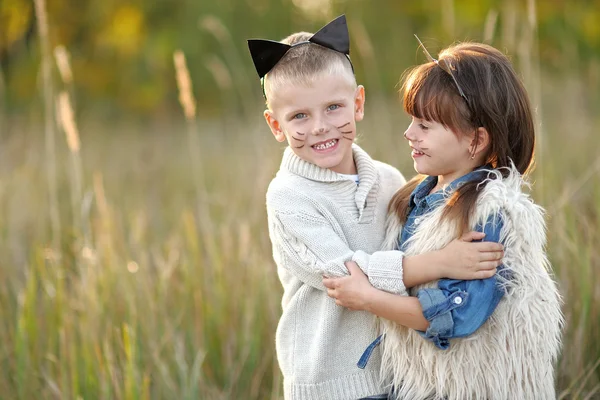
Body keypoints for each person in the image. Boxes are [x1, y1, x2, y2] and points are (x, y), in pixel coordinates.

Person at [248, 18, 504, 400]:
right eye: (299, 116)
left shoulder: (388, 180)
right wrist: (442, 262)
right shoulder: (289, 197)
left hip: (399, 374)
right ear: (275, 125)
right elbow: (347, 277)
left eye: (334, 108)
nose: (320, 127)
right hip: (331, 383)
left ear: (358, 104)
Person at [323, 39, 563, 400]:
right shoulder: (415, 198)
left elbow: (455, 317)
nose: (409, 134)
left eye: (425, 125)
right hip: (414, 383)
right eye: (411, 120)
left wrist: (368, 298)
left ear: (475, 140)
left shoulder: (491, 213)